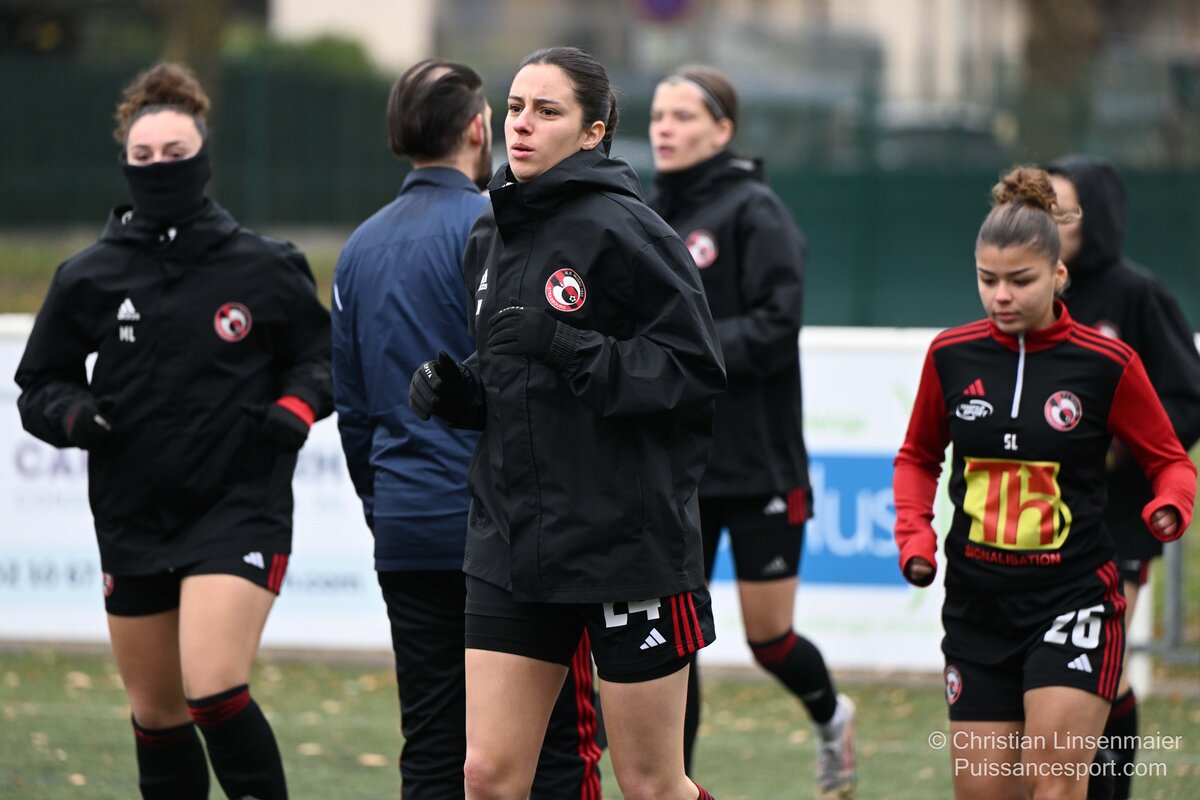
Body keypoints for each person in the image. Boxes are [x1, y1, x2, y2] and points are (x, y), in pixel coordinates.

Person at [408, 46, 727, 800]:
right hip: (512, 541)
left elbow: (692, 373)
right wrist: (463, 394)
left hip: (625, 545)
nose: (522, 124)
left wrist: (570, 346)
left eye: (547, 111)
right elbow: (513, 378)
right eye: (516, 107)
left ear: (593, 133)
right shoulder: (488, 232)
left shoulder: (632, 232)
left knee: (651, 783)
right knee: (486, 776)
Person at [14, 62, 331, 800]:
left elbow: (322, 359)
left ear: (204, 159)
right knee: (157, 715)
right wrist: (73, 415)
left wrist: (297, 407)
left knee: (213, 690)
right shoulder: (88, 276)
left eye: (175, 155)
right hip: (132, 513)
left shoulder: (266, 265)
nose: (160, 168)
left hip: (238, 505)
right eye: (144, 157)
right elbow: (39, 384)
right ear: (127, 166)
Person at [331, 57, 602, 799]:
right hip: (508, 534)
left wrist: (386, 504)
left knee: (431, 746)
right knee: (555, 748)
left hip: (408, 526)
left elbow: (352, 409)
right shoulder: (501, 227)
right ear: (480, 128)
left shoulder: (359, 248)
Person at [892, 166, 1195, 800]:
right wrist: (915, 537)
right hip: (977, 606)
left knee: (1054, 786)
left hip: (1073, 600)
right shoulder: (950, 356)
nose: (1001, 296)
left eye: (1020, 280)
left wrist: (1171, 502)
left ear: (1058, 275)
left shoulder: (1107, 362)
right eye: (987, 279)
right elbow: (918, 457)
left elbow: (1169, 458)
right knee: (984, 792)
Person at [645, 64, 856, 799]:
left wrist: (682, 353)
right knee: (677, 641)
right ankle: (675, 784)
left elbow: (775, 326)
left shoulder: (756, 210)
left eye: (682, 116)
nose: (664, 128)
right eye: (657, 115)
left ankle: (831, 718)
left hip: (761, 466)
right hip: (680, 469)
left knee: (769, 639)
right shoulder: (645, 212)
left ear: (723, 130)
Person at [1046, 155, 1200, 799]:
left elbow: (1187, 397)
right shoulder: (1032, 290)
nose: (1049, 222)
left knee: (1096, 671)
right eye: (1040, 209)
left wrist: (1119, 447)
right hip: (1043, 520)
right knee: (1073, 674)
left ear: (1098, 216)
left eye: (1062, 210)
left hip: (1119, 519)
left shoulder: (1138, 294)